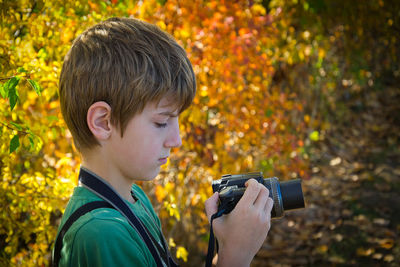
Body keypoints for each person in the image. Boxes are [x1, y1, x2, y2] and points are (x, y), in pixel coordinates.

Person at [54, 17, 273, 267]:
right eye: (161, 122)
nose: (176, 140)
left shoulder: (133, 198)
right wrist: (236, 257)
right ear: (104, 122)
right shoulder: (102, 234)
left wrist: (227, 249)